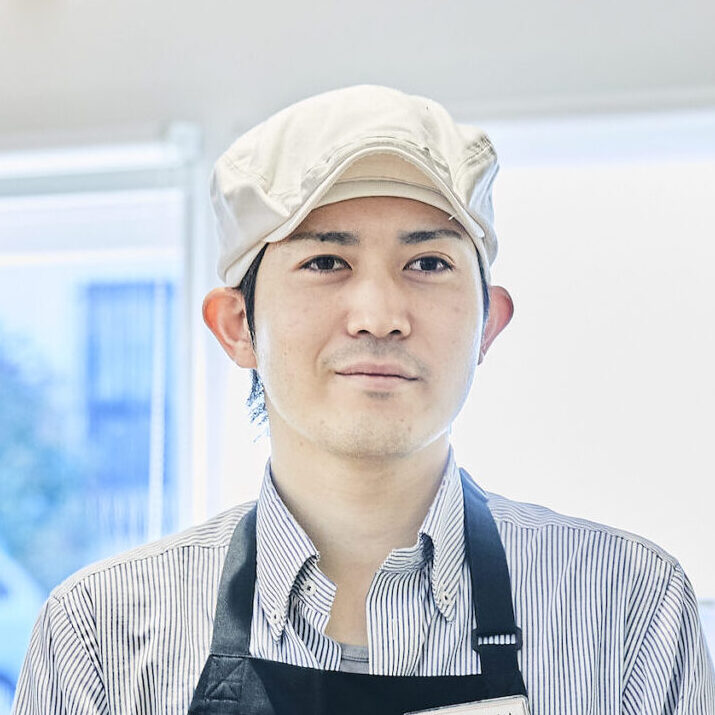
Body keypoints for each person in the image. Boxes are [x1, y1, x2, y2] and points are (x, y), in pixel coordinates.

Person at [11, 85, 715, 714]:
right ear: (237, 326)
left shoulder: (628, 608)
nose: (379, 314)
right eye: (326, 261)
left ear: (487, 324)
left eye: (427, 262)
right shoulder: (102, 632)